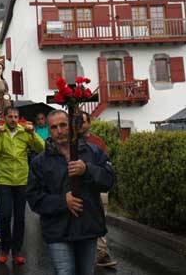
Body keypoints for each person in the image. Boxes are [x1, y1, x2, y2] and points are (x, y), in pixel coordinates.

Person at [27, 110, 115, 275]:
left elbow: (109, 180)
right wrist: (62, 201)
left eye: (63, 125)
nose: (59, 131)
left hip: (87, 227)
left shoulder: (92, 152)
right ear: (49, 130)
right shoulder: (40, 162)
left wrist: (87, 169)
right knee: (65, 271)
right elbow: (34, 198)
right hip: (57, 230)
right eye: (54, 127)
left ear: (71, 127)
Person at [0, 106, 45, 265]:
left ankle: (17, 250)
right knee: (5, 215)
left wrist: (33, 134)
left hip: (21, 180)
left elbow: (41, 148)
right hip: (4, 180)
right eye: (10, 117)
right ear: (4, 118)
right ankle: (5, 249)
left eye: (15, 117)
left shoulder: (24, 132)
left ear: (18, 118)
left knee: (20, 218)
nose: (13, 120)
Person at [79, 111, 118, 268]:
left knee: (100, 216)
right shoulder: (70, 141)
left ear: (89, 123)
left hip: (97, 187)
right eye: (77, 122)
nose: (80, 125)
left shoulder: (97, 142)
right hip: (80, 189)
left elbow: (105, 166)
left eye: (83, 122)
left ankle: (101, 252)